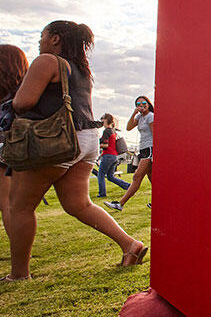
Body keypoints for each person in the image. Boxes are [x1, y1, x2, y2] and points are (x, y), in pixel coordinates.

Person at [3, 21, 146, 281]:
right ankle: (130, 245)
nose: (39, 41)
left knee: (19, 207)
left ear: (55, 39)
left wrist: (11, 99)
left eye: (42, 36)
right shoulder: (80, 69)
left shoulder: (46, 61)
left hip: (55, 140)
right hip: (86, 140)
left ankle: (19, 273)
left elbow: (24, 102)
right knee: (78, 204)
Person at [0, 45, 29, 239]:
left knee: (8, 204)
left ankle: (18, 255)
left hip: (5, 147)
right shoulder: (24, 90)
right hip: (13, 148)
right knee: (9, 204)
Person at [105, 96, 153, 211]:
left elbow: (155, 134)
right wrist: (134, 113)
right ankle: (159, 201)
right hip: (143, 149)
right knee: (152, 179)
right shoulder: (139, 117)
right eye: (138, 104)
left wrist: (155, 153)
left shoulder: (151, 116)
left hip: (150, 149)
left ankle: (120, 204)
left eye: (143, 103)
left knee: (137, 176)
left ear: (148, 104)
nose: (141, 105)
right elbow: (128, 127)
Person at [95, 113, 130, 198]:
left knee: (101, 175)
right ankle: (127, 186)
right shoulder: (113, 130)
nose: (101, 121)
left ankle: (102, 194)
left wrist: (96, 145)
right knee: (110, 177)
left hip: (108, 155)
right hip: (114, 156)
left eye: (102, 119)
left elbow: (105, 145)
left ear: (106, 120)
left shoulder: (106, 131)